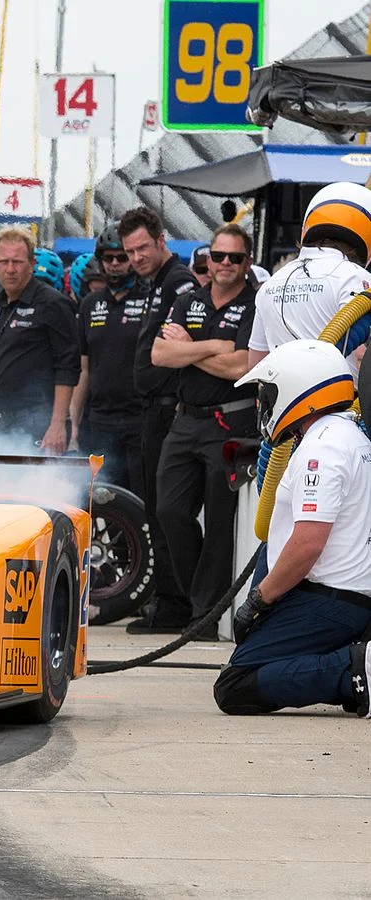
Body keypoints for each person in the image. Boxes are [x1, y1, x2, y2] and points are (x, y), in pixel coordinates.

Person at [215, 340, 371, 717]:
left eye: (268, 394)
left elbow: (307, 544)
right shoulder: (347, 434)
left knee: (234, 686)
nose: (263, 405)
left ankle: (355, 670)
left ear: (299, 390)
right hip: (342, 597)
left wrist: (258, 601)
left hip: (330, 600)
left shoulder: (322, 449)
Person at [151, 224, 259, 639]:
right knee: (170, 511)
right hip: (185, 420)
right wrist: (212, 345)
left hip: (231, 421)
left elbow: (241, 366)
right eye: (219, 256)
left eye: (234, 257)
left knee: (219, 523)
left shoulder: (254, 305)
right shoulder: (188, 300)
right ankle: (201, 597)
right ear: (207, 260)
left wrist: (189, 348)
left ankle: (205, 615)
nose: (225, 264)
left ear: (247, 263)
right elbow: (161, 354)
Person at [120, 206, 199, 634]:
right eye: (130, 251)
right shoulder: (154, 283)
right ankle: (167, 598)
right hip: (153, 409)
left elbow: (178, 346)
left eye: (143, 248)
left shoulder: (178, 283)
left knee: (164, 510)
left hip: (169, 409)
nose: (136, 257)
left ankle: (175, 605)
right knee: (154, 509)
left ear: (161, 240)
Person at [0, 227, 80, 453]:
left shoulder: (53, 304)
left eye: (17, 262)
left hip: (40, 418)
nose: (10, 269)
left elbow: (68, 367)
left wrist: (57, 425)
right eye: (4, 262)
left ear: (32, 264)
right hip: (5, 419)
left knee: (35, 488)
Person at [249, 181, 371, 369]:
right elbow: (361, 354)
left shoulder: (269, 285)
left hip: (281, 396)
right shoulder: (354, 278)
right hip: (338, 395)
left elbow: (254, 365)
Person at [70, 233, 151, 494]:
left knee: (142, 500)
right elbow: (84, 370)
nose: (115, 263)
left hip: (141, 420)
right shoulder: (89, 305)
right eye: (108, 258)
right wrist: (72, 426)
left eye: (121, 257)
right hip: (101, 423)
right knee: (102, 500)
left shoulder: (150, 299)